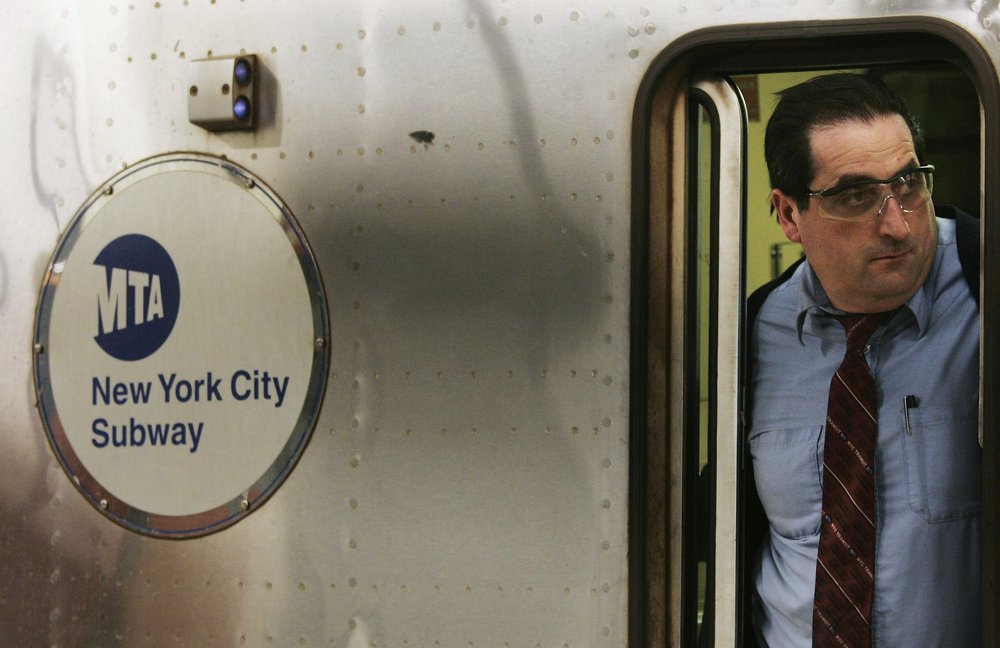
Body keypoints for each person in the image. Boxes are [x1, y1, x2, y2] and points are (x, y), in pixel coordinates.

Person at [745, 73, 981, 647]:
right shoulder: (749, 334)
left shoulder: (985, 290)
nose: (898, 223)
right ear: (789, 216)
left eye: (908, 184)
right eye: (855, 197)